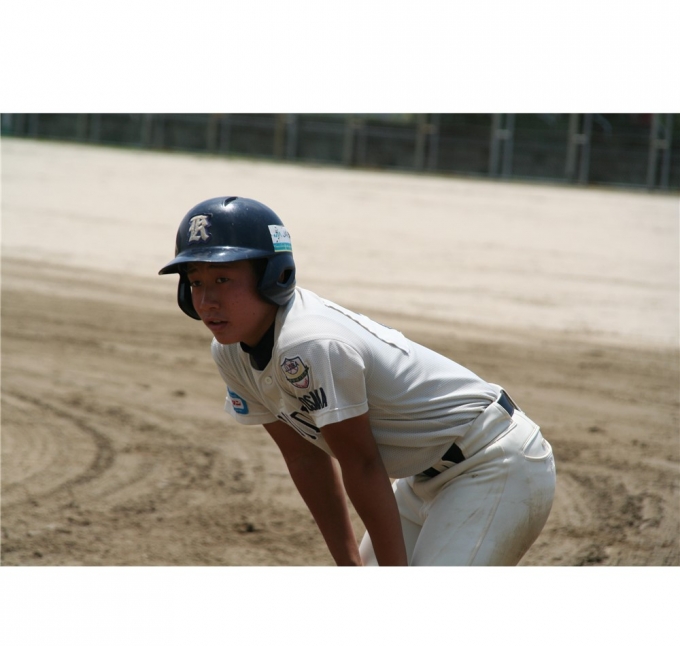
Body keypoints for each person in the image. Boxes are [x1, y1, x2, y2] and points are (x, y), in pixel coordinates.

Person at [159, 196, 556, 566]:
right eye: (196, 282)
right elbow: (304, 457)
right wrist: (349, 564)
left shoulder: (311, 343)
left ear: (272, 276)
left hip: (492, 462)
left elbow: (363, 465)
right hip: (419, 479)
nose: (206, 301)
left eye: (223, 280)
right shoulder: (229, 351)